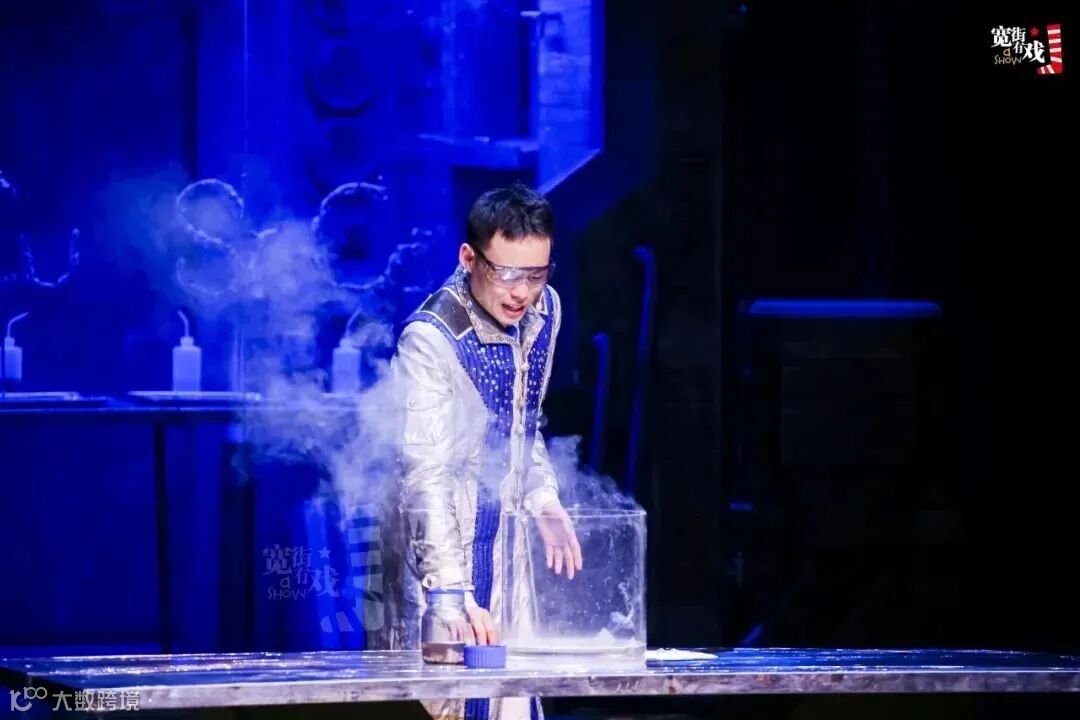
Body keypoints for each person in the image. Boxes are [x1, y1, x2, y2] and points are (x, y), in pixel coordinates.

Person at [387, 183, 583, 720]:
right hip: (442, 556)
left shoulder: (545, 311)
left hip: (507, 552)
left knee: (513, 700)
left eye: (537, 275)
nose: (523, 293)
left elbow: (523, 422)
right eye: (507, 274)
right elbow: (423, 475)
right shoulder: (431, 339)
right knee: (451, 703)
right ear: (469, 258)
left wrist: (543, 498)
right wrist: (449, 594)